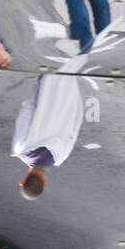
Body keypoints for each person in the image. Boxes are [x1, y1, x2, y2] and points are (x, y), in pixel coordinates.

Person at [11, 69, 84, 199]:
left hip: (69, 88)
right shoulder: (21, 149)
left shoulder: (61, 155)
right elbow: (27, 109)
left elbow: (76, 121)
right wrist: (37, 83)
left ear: (44, 182)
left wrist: (74, 90)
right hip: (47, 84)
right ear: (23, 180)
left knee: (76, 55)